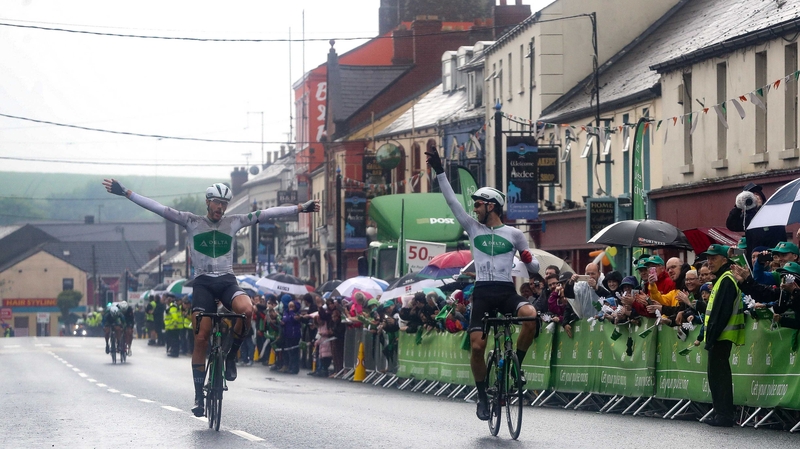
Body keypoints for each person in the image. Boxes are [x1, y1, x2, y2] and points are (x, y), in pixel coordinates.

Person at [103, 178, 319, 417]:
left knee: (247, 310)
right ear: (208, 202)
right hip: (203, 283)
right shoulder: (191, 221)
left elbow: (266, 213)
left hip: (227, 280)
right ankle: (198, 396)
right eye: (217, 202)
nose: (221, 207)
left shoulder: (234, 222)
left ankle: (229, 357)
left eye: (224, 203)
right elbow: (158, 208)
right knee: (201, 337)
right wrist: (126, 193)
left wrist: (299, 208)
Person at [426, 149, 540, 422]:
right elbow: (452, 202)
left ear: (491, 206)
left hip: (505, 291)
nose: (474, 209)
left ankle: (516, 369)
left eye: (478, 204)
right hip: (483, 292)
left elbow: (534, 270)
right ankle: (481, 395)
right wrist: (441, 172)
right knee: (478, 347)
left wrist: (527, 258)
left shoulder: (514, 234)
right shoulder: (472, 228)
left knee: (532, 317)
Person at [700, 244, 744, 427]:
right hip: (719, 336)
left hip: (721, 337)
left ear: (724, 260)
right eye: (708, 258)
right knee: (716, 375)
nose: (709, 262)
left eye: (714, 258)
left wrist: (711, 338)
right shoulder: (722, 279)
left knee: (720, 376)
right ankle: (720, 413)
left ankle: (724, 415)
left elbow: (721, 312)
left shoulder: (726, 279)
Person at [726, 182, 786, 260]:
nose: (754, 198)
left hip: (771, 258)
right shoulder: (747, 217)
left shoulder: (773, 212)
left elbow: (779, 236)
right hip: (753, 259)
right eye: (750, 196)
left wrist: (759, 209)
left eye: (756, 194)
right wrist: (739, 206)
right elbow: (731, 225)